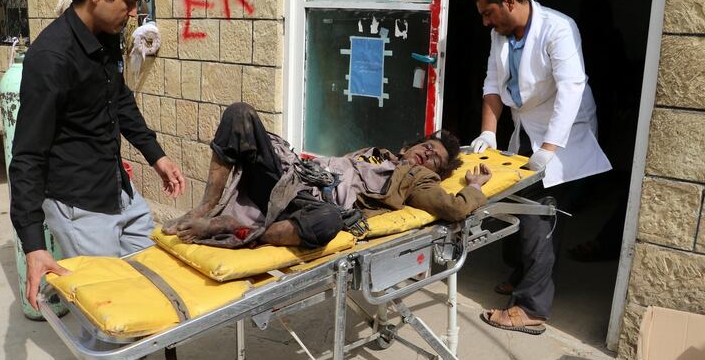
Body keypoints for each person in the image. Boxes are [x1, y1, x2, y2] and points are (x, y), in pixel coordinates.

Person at [9, 0, 186, 311]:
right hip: (80, 208)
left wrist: (157, 156)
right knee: (107, 310)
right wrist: (33, 245)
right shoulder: (51, 59)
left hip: (119, 190)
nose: (135, 13)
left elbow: (119, 100)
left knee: (152, 289)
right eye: (129, 2)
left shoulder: (104, 38)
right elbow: (27, 155)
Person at [470, 0, 611, 334]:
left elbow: (571, 87)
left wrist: (549, 149)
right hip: (527, 127)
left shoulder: (558, 28)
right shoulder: (499, 34)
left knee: (537, 214)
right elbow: (491, 82)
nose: (485, 22)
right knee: (514, 202)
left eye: (488, 13)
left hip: (562, 132)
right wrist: (489, 130)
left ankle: (531, 308)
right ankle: (523, 274)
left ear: (510, 3)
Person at [162, 102, 492, 248]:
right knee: (240, 114)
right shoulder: (373, 153)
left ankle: (240, 231)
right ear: (412, 145)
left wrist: (474, 187)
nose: (428, 154)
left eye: (435, 160)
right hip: (290, 178)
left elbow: (453, 209)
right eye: (428, 147)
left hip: (311, 204)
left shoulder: (416, 178)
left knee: (329, 223)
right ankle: (205, 207)